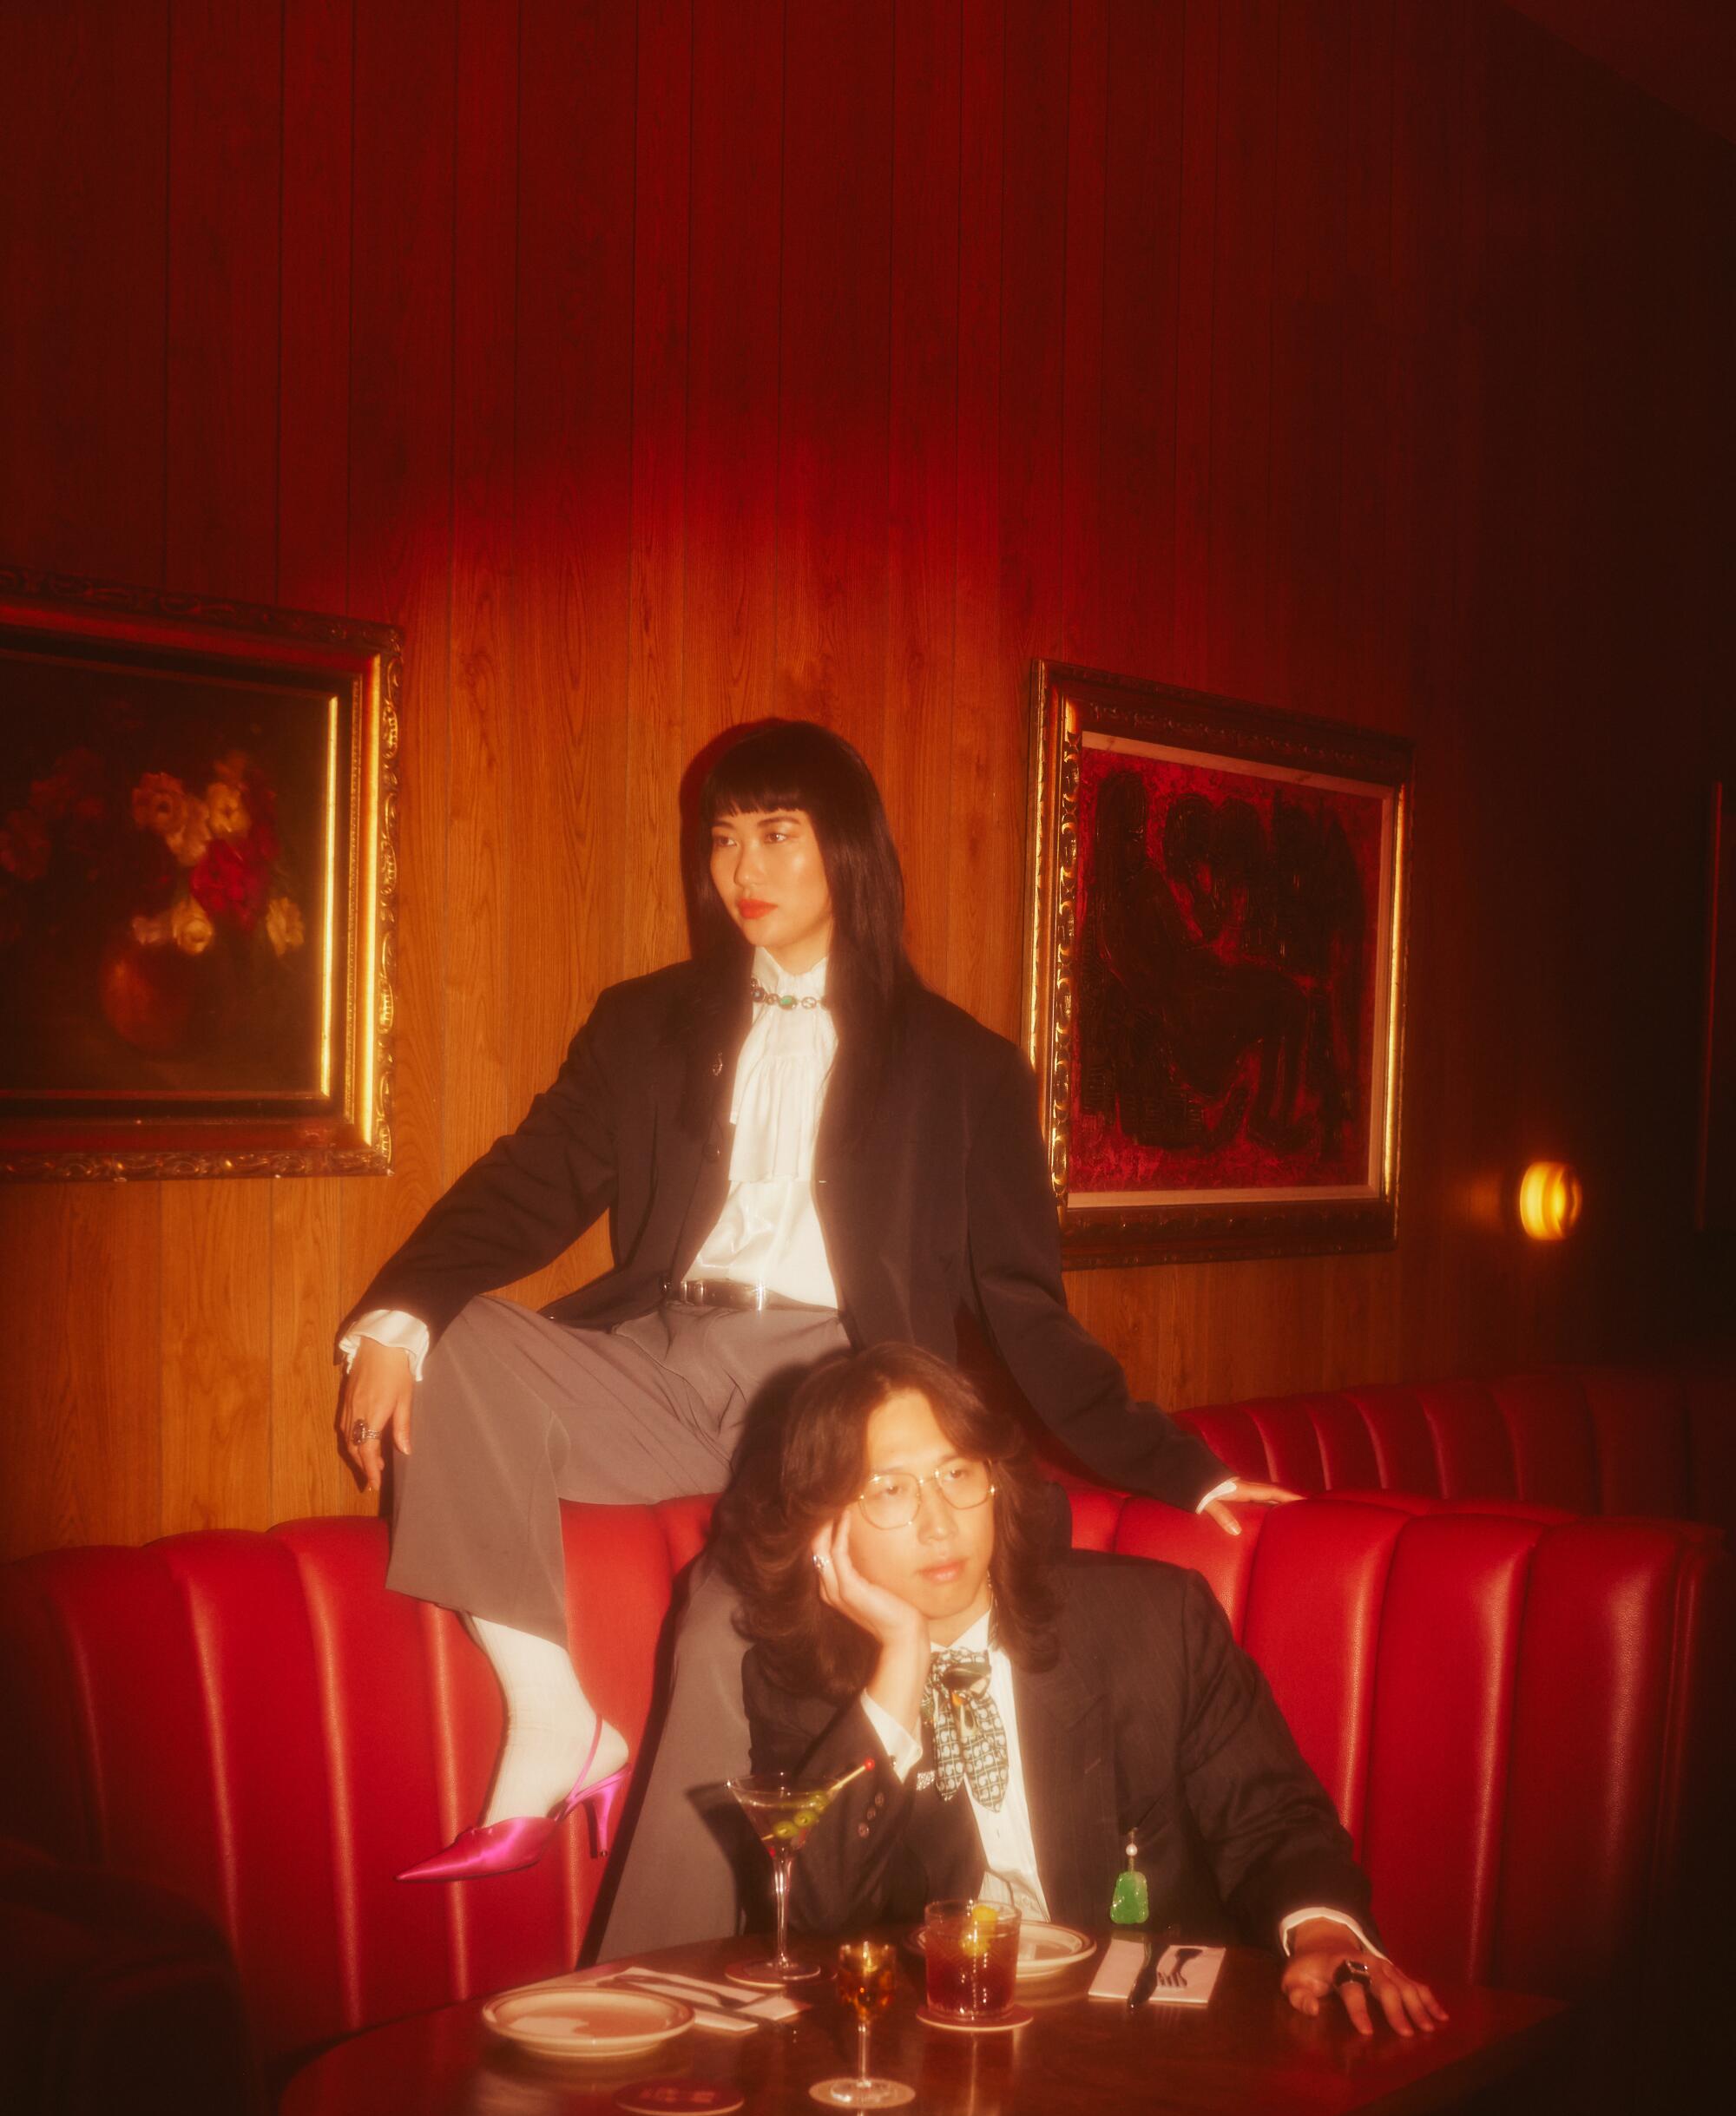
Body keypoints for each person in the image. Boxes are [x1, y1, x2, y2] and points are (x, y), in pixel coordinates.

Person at [334, 720, 1286, 1930]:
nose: (745, 867)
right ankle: (555, 1711)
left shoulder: (964, 1069)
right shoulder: (644, 1025)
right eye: (725, 837)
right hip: (666, 1360)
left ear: (846, 849)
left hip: (841, 1390)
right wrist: (397, 1311)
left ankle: (662, 1997)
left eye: (778, 833)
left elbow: (1026, 1310)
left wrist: (1184, 1468)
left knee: (729, 1622)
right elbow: (526, 1187)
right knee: (446, 1339)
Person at [718, 1340, 1444, 2036]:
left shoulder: (1156, 1622)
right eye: (890, 1491)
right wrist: (901, 1660)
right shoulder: (797, 1684)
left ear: (996, 1484)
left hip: (1153, 2043)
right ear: (825, 1529)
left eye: (958, 1474)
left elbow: (1277, 1824)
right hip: (940, 2055)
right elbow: (808, 1921)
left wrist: (1320, 1931)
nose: (938, 1523)